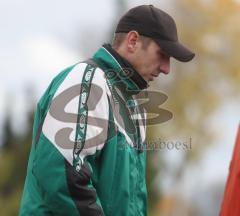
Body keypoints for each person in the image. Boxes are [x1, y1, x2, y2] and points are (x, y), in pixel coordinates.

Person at [19, 5, 195, 216]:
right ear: (132, 41)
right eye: (162, 54)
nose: (166, 68)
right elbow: (60, 174)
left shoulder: (133, 107)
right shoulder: (87, 82)